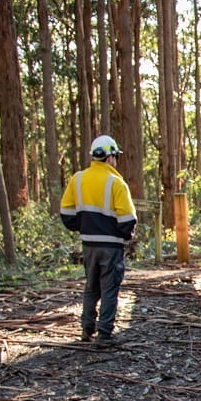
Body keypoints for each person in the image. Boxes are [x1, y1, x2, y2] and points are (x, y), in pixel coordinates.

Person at [60, 135, 137, 346]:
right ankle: (104, 334)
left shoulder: (77, 179)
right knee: (109, 289)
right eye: (115, 156)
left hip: (88, 245)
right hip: (111, 246)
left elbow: (66, 213)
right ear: (110, 157)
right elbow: (128, 219)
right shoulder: (116, 183)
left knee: (91, 287)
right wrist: (123, 234)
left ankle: (86, 330)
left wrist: (84, 227)